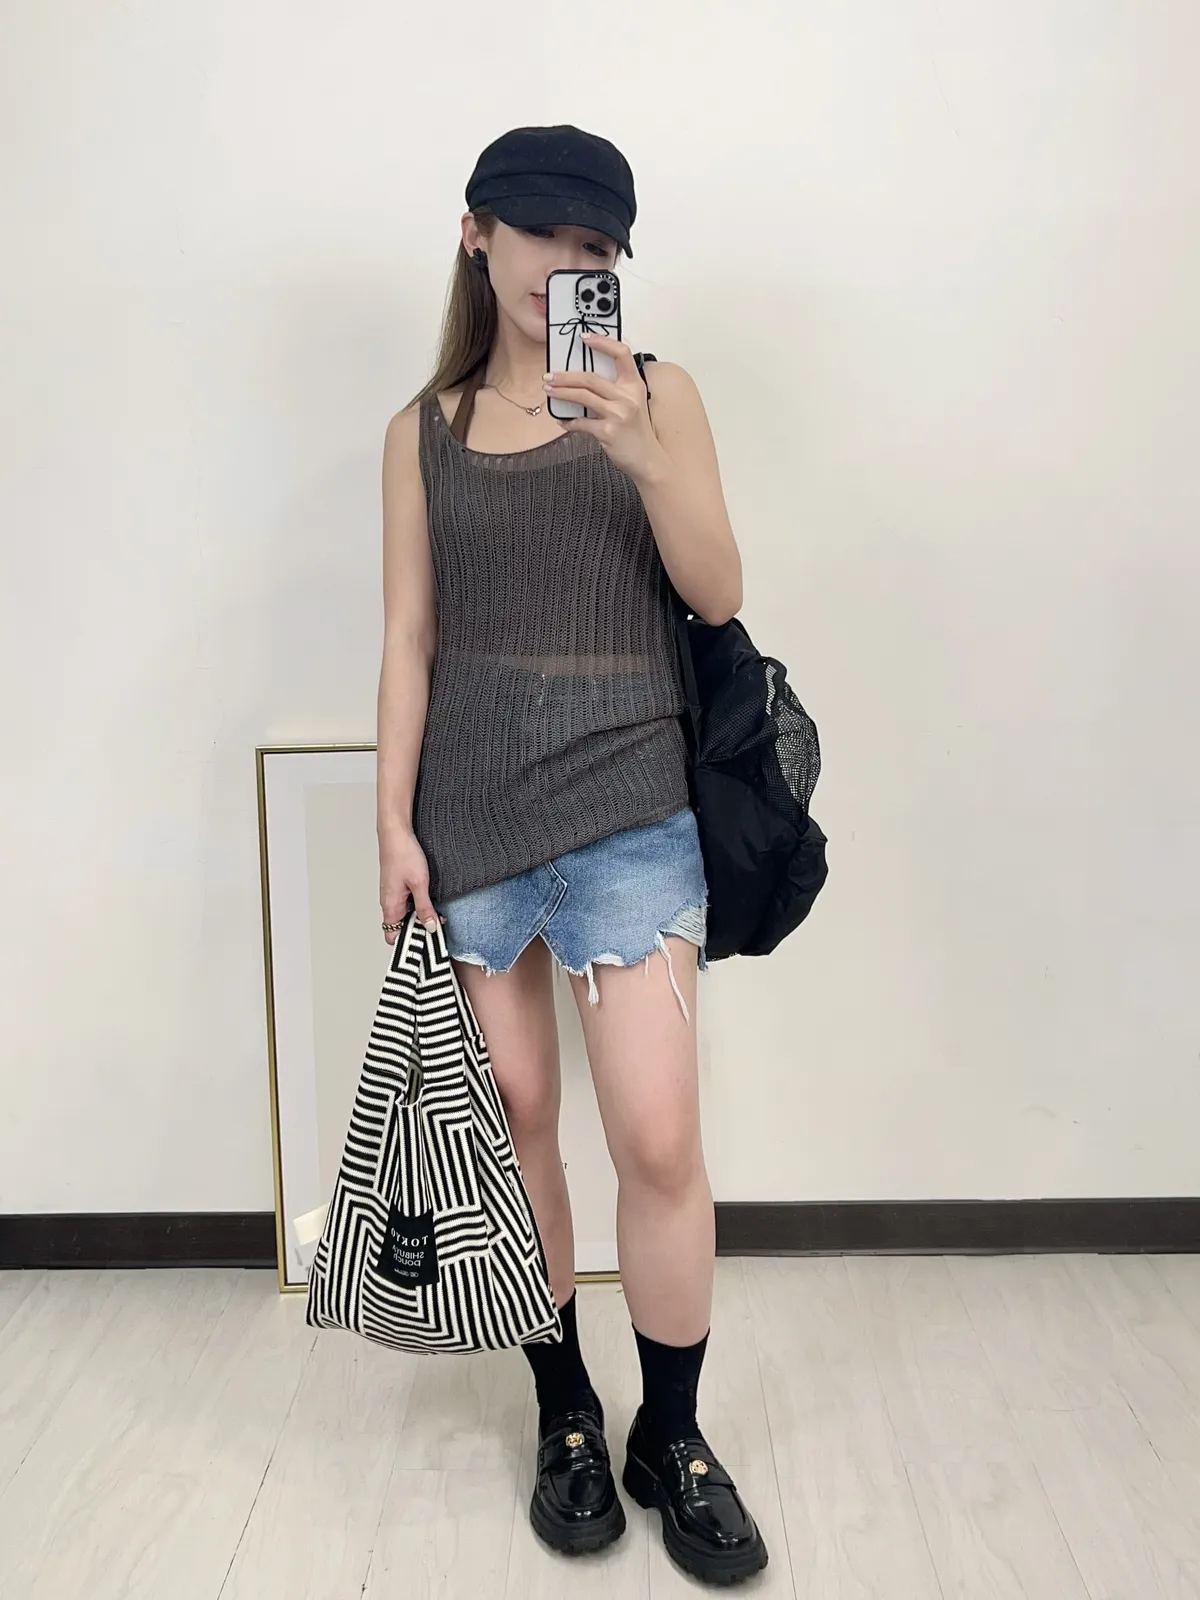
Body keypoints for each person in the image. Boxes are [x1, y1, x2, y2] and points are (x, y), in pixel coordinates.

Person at [375, 123, 768, 1586]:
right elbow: (411, 639)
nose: (568, 265)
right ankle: (566, 1414)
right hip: (473, 810)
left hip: (631, 801)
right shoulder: (422, 430)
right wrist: (392, 822)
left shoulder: (660, 393)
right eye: (544, 234)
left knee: (657, 1138)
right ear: (477, 234)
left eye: (598, 246)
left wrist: (641, 450)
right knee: (521, 1124)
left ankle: (674, 1432)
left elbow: (718, 591)